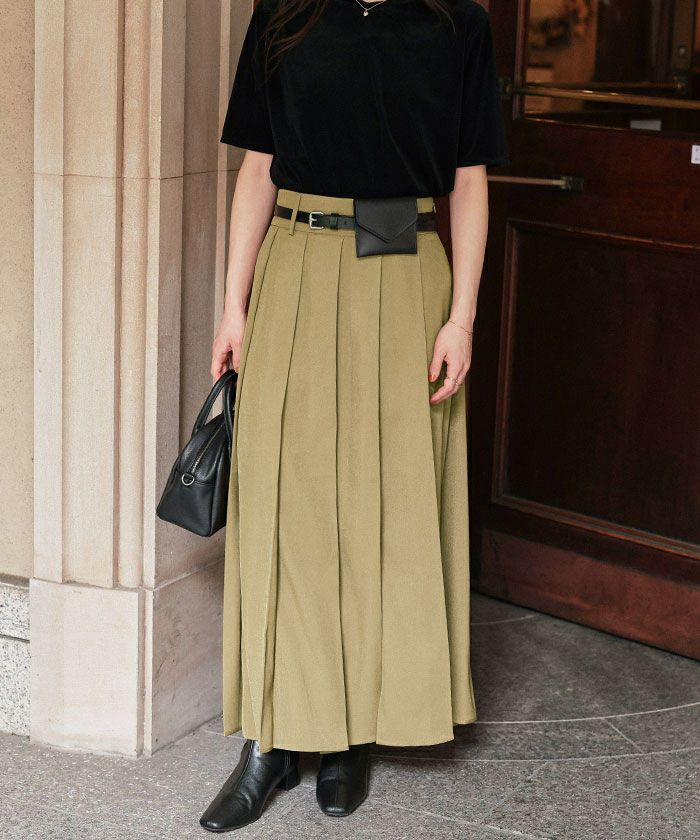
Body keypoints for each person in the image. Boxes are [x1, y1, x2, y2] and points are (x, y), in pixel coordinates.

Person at [200, 0, 508, 831]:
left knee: (384, 507)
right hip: (296, 268)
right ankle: (270, 742)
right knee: (286, 507)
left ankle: (350, 737)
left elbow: (469, 179)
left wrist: (462, 319)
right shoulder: (285, 11)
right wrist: (233, 304)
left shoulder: (458, 23)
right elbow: (258, 167)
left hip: (405, 275)